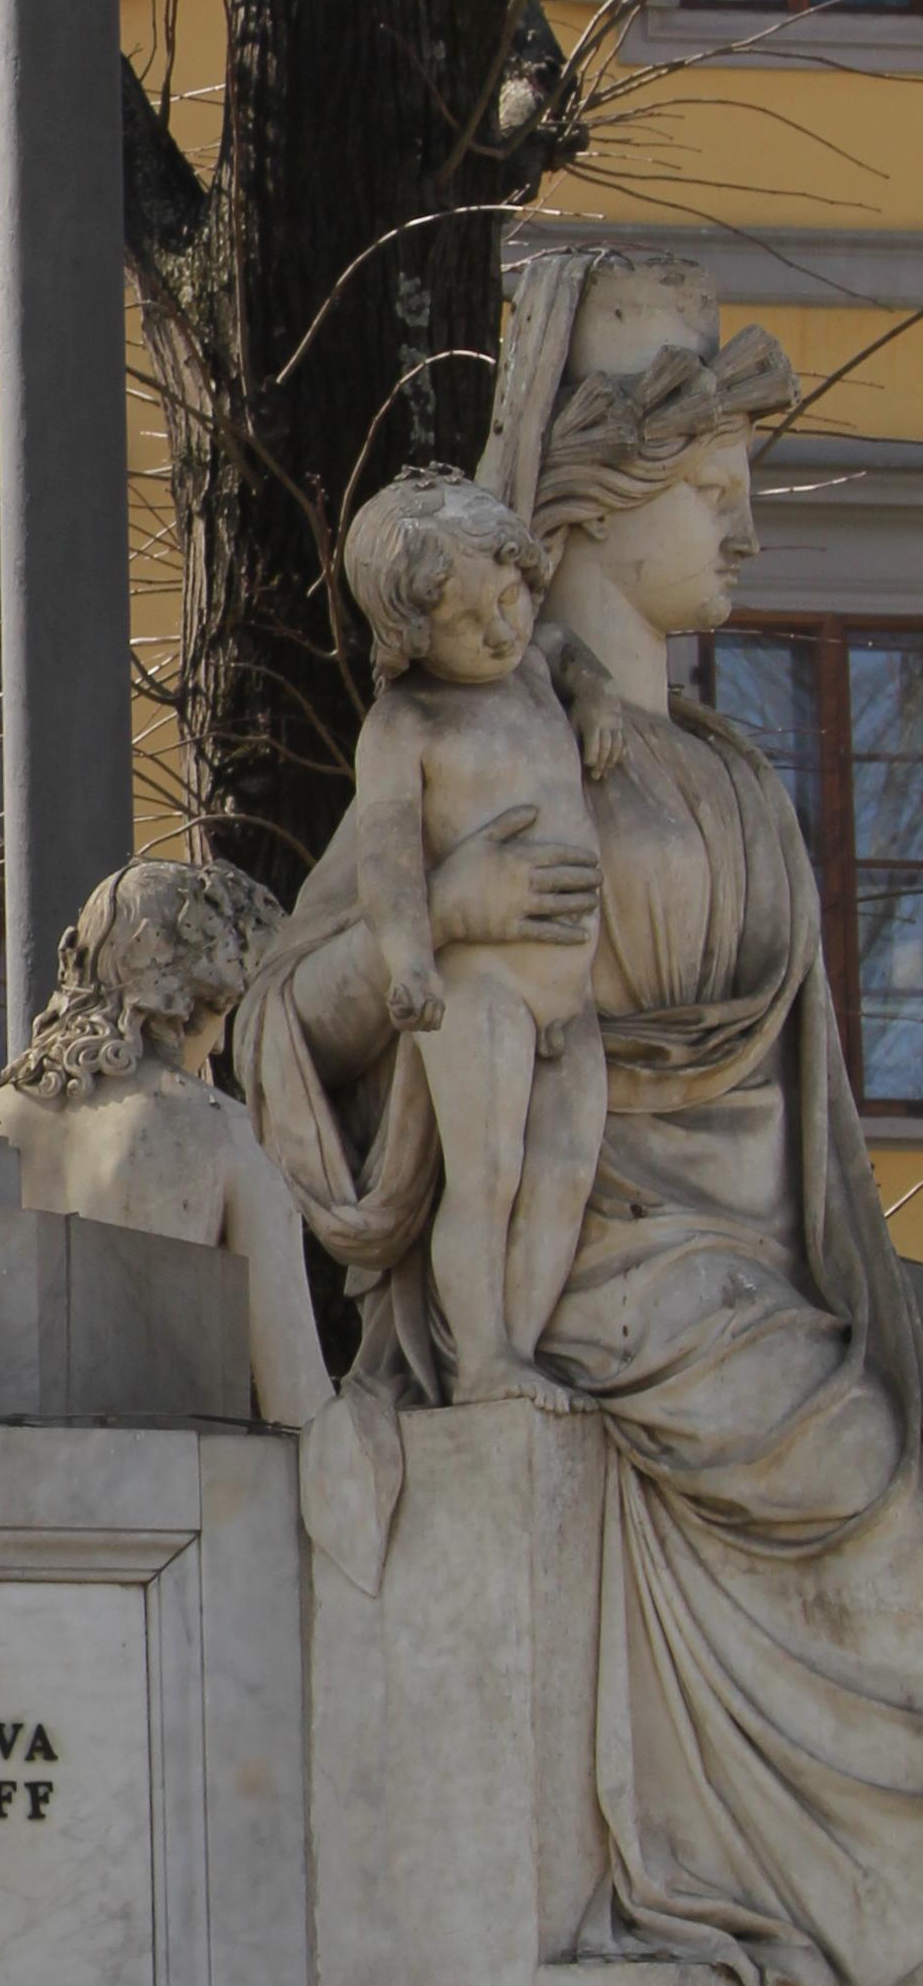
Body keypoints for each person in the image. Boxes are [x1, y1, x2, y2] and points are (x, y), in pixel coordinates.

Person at [239, 246, 923, 1986]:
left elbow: (808, 1142)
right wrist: (446, 925)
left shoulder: (737, 775)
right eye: (717, 492)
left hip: (763, 1276)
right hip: (603, 1272)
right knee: (886, 1527)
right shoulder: (471, 735)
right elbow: (298, 1017)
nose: (751, 531)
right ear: (605, 510)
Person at [335, 466, 612, 1404]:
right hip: (478, 989)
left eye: (510, 599)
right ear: (411, 636)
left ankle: (518, 1351)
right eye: (466, 621)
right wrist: (410, 961)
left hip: (570, 997)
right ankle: (485, 1355)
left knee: (563, 1175)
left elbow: (569, 650)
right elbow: (387, 864)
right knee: (488, 1177)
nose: (501, 630)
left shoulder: (533, 668)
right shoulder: (403, 725)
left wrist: (597, 697)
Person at [0, 857, 333, 1435]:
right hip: (165, 1479)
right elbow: (300, 1406)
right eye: (224, 1012)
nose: (217, 1048)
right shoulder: (223, 1132)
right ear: (190, 999)